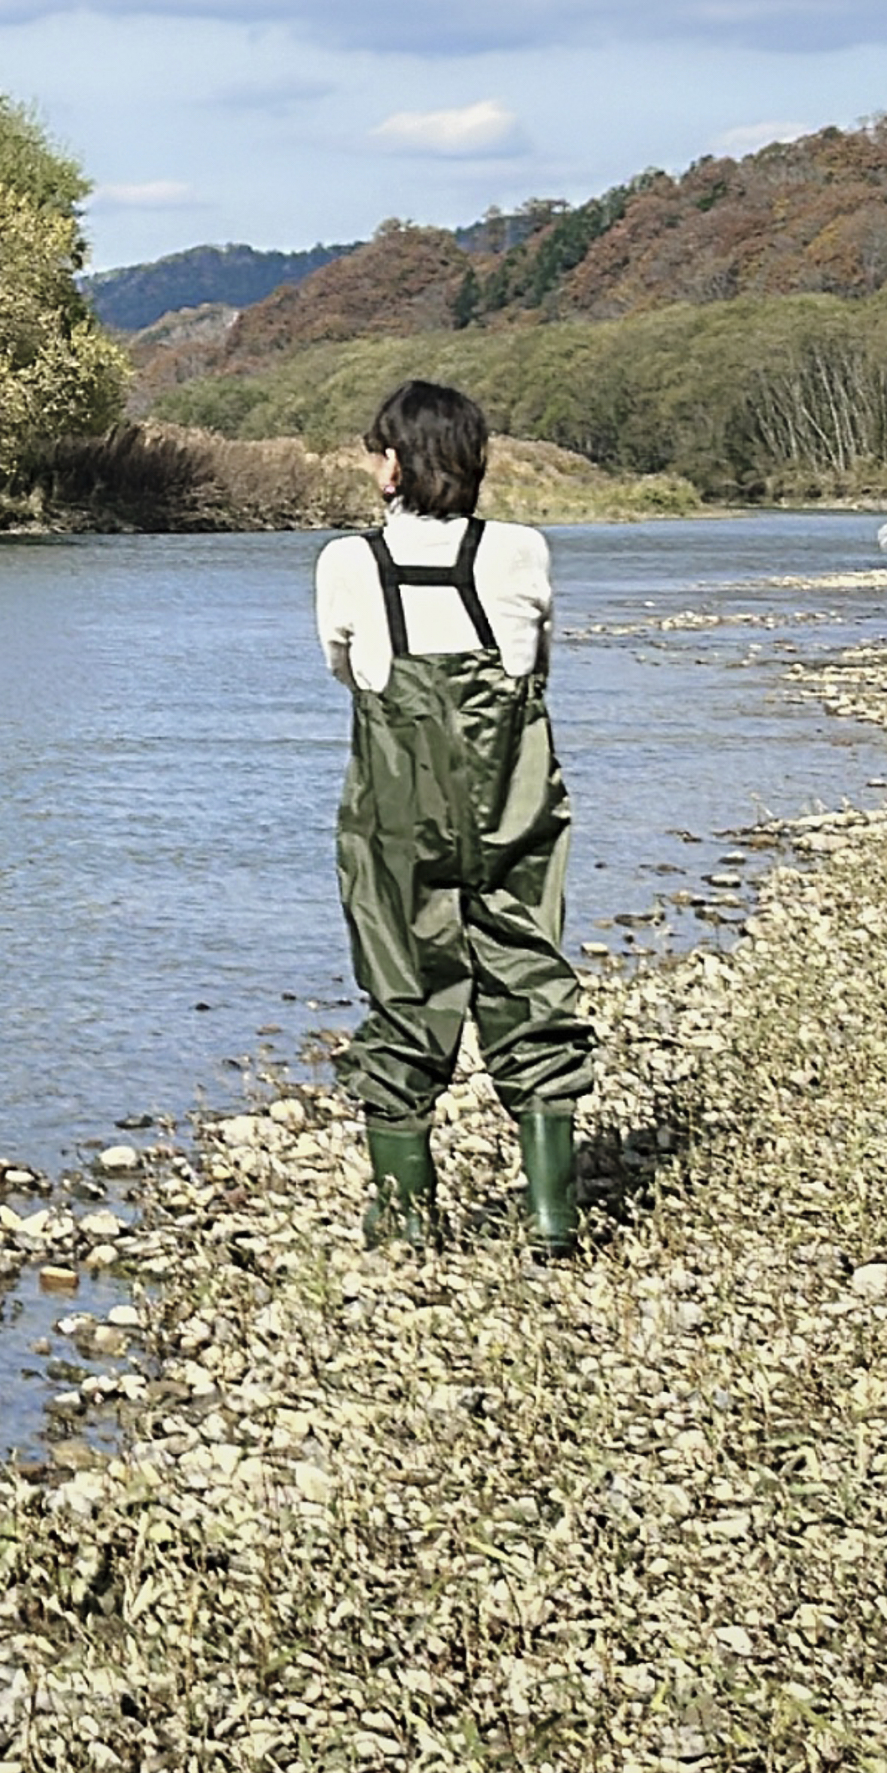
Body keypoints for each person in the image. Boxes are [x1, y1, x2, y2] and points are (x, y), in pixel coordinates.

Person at [314, 380, 596, 1257]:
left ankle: (404, 1216)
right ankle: (550, 1212)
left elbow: (344, 668)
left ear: (392, 466)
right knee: (530, 974)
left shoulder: (347, 561)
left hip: (397, 811)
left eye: (376, 453)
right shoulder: (521, 549)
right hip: (511, 798)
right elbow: (537, 668)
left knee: (403, 985)